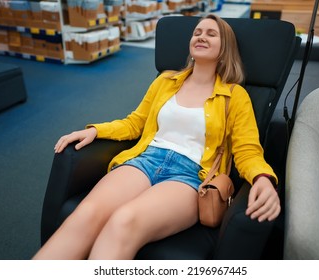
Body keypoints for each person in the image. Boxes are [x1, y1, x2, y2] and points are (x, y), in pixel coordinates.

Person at [33, 14, 280, 260]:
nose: (201, 36)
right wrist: (95, 130)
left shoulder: (235, 96)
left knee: (123, 222)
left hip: (191, 175)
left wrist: (262, 177)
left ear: (225, 48)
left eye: (211, 34)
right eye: (197, 33)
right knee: (86, 213)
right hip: (145, 160)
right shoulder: (166, 81)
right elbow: (135, 123)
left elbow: (247, 150)